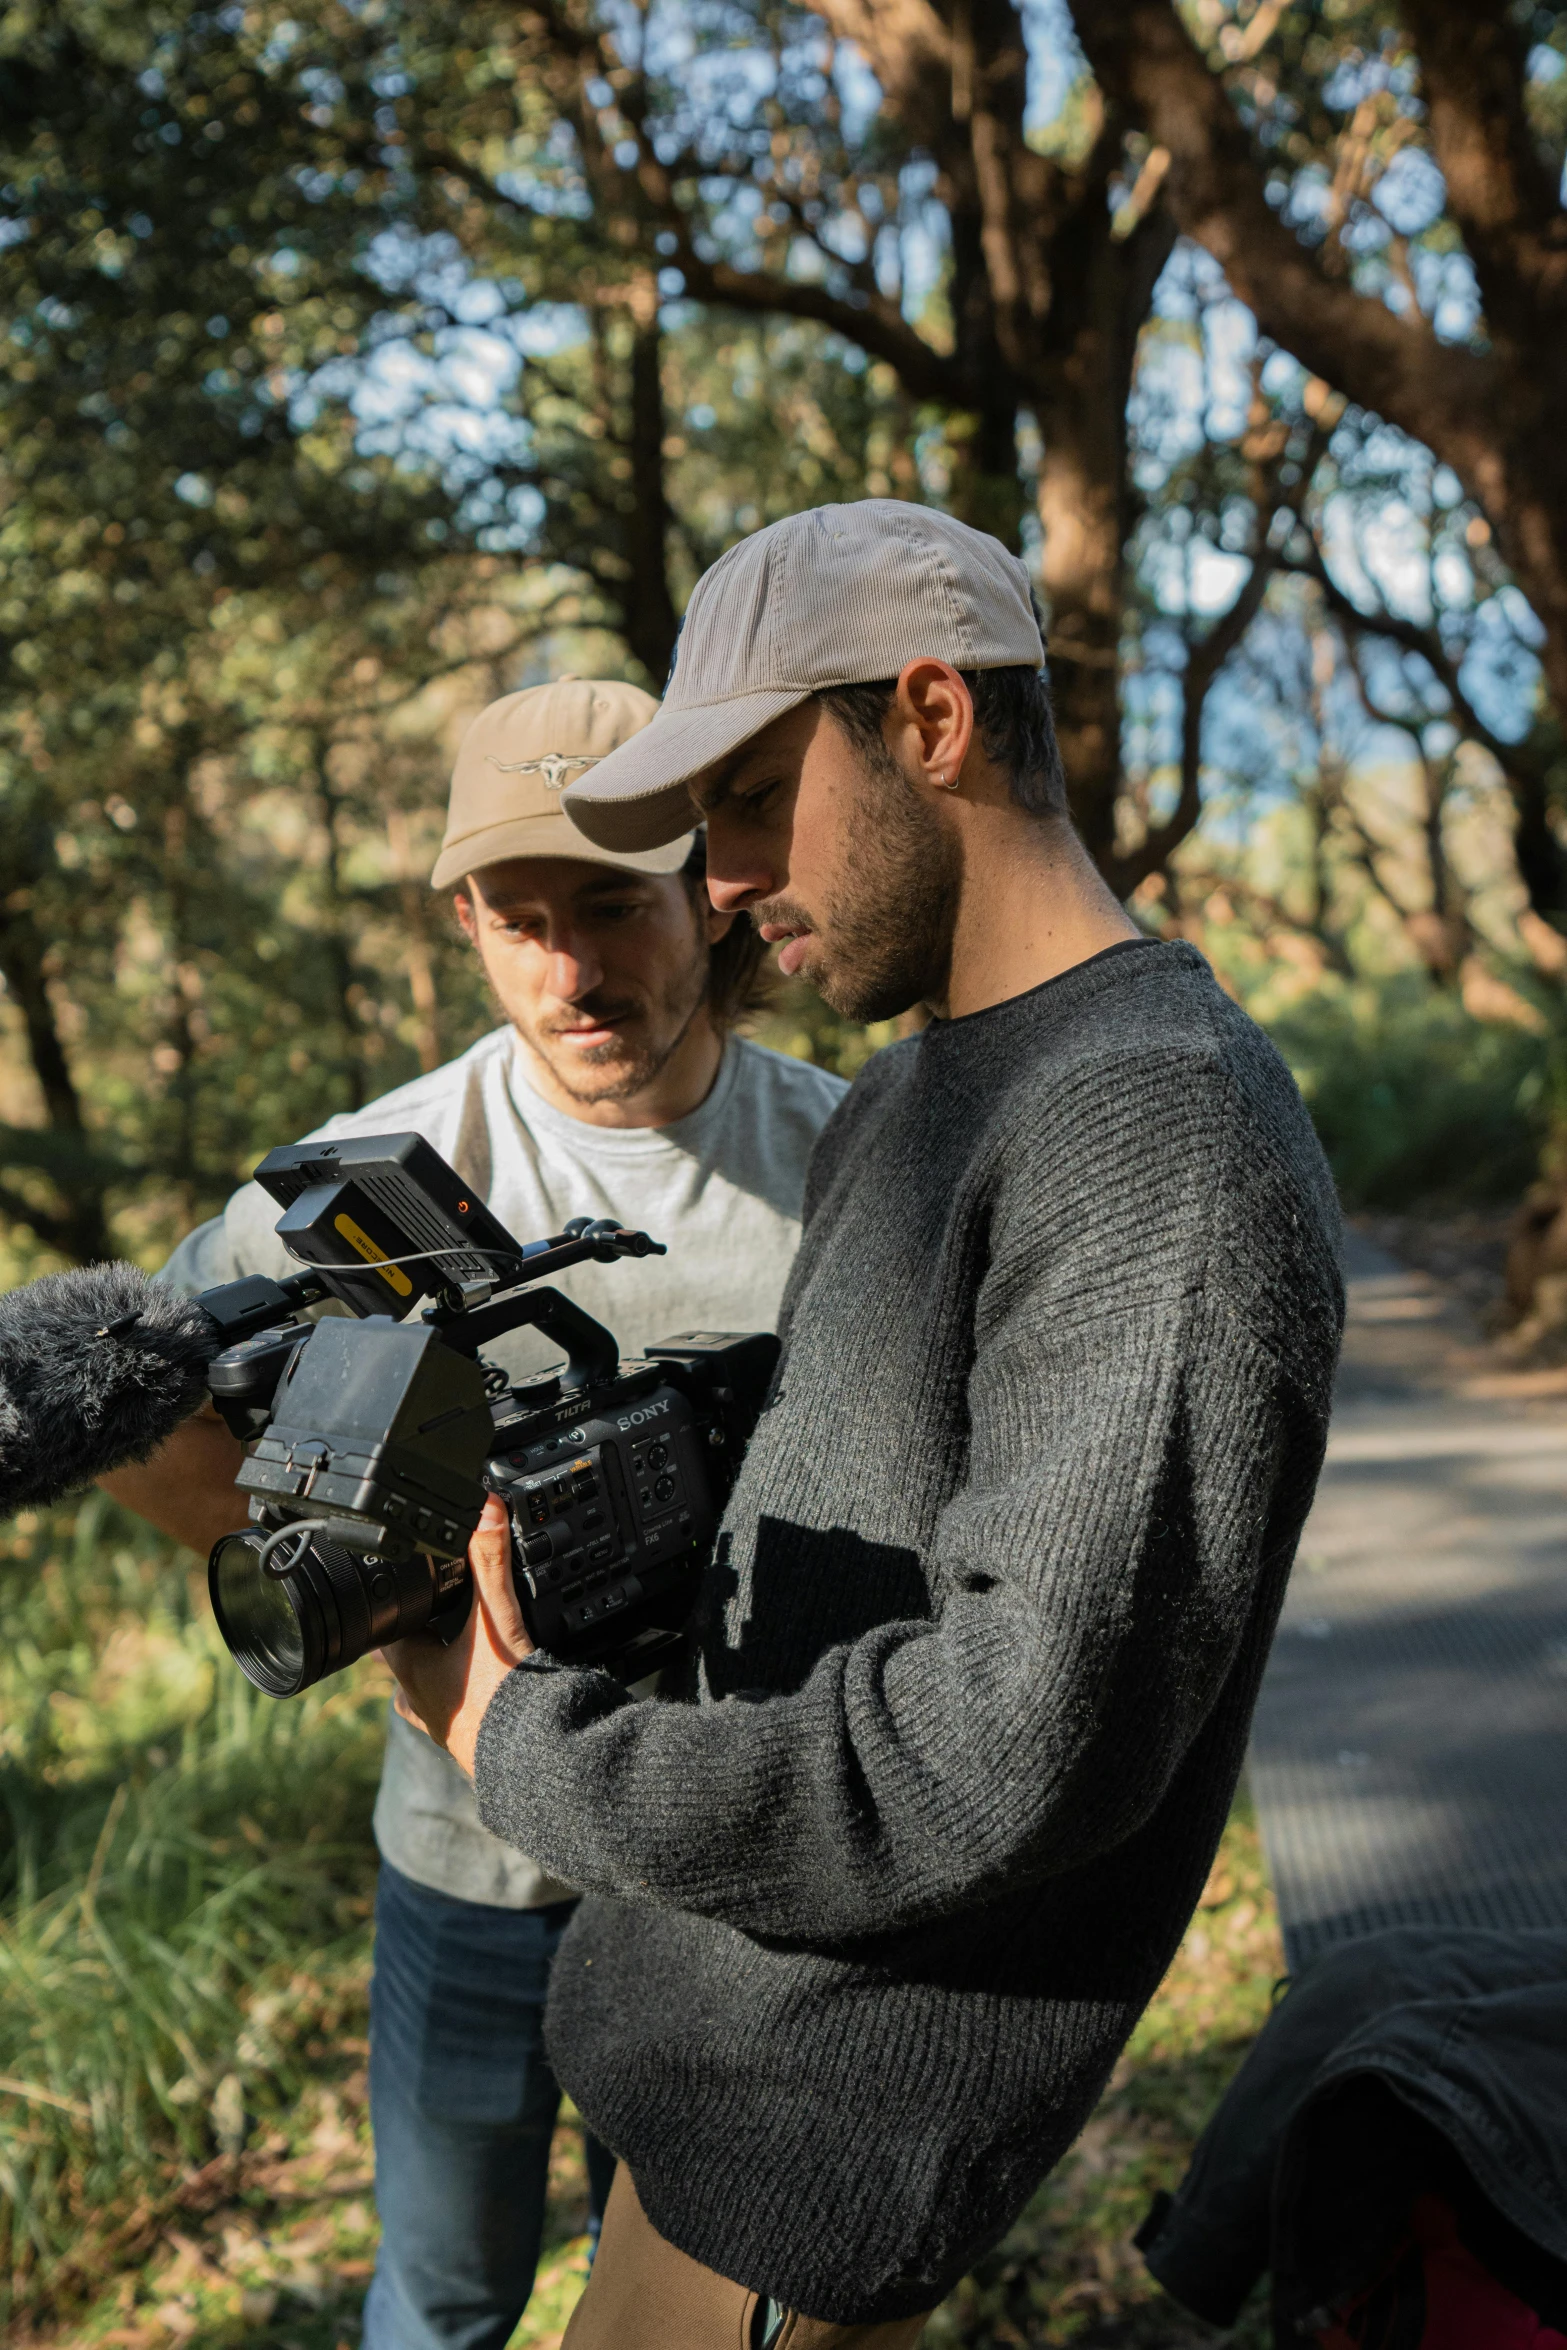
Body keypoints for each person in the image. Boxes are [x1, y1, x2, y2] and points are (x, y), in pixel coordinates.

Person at [383, 503, 1345, 2350]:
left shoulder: (1156, 1127)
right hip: (687, 2042)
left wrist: (527, 1743)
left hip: (804, 2140)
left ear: (928, 720)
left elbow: (1004, 1750)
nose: (719, 875)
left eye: (749, 796)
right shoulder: (911, 1094)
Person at [100, 674, 848, 2350]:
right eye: (521, 918)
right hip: (471, 1865)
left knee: (681, 2293)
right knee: (441, 2296)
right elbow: (143, 1417)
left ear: (702, 889)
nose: (572, 968)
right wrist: (405, 1618)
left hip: (726, 1868)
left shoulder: (851, 1160)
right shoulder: (366, 1178)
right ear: (462, 920)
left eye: (612, 903)